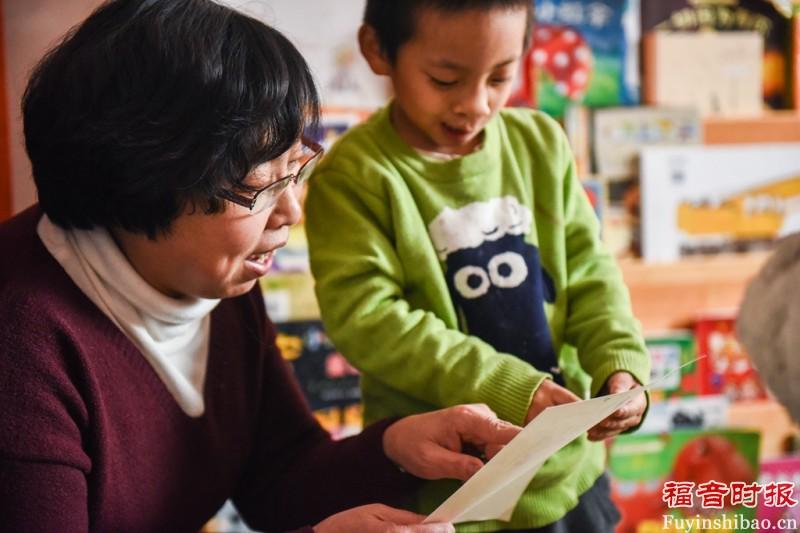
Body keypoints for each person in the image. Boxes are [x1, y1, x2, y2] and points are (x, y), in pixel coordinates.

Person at [0, 1, 525, 531]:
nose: (292, 211)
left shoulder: (218, 276)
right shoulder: (21, 339)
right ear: (141, 179)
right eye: (258, 185)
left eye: (296, 167)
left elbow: (281, 480)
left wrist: (396, 447)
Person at [304, 1, 651, 531]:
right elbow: (369, 320)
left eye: (500, 77)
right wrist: (509, 386)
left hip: (569, 475)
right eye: (445, 79)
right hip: (448, 492)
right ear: (378, 50)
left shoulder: (540, 145)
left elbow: (590, 273)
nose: (475, 104)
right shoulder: (356, 177)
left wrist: (619, 362)